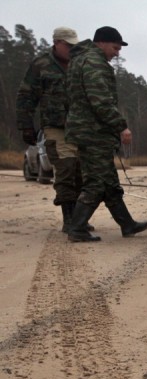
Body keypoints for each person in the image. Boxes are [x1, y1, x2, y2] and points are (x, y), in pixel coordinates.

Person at [65, 26, 147, 242]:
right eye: (115, 48)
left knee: (109, 182)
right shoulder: (94, 63)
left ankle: (127, 224)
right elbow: (100, 101)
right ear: (101, 43)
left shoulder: (80, 60)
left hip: (88, 130)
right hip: (93, 133)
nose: (117, 53)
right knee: (95, 182)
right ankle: (77, 228)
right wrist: (121, 126)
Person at [16, 27, 94, 233]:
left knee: (81, 173)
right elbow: (26, 96)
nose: (71, 49)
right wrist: (25, 125)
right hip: (55, 127)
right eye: (68, 45)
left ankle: (79, 217)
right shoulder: (40, 65)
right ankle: (69, 220)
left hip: (81, 127)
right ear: (57, 43)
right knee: (66, 170)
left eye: (73, 45)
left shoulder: (80, 63)